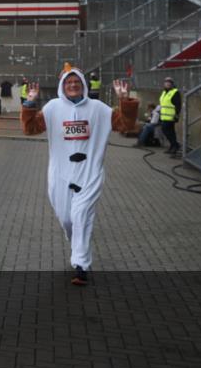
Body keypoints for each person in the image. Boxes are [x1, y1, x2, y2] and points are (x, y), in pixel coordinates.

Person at [20, 69, 138, 286]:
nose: (73, 85)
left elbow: (126, 125)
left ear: (83, 85)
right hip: (60, 173)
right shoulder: (53, 107)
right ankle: (76, 240)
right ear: (62, 86)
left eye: (77, 82)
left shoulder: (98, 108)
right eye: (69, 82)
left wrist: (124, 100)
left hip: (89, 173)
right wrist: (29, 103)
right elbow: (30, 129)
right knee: (67, 219)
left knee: (81, 216)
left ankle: (81, 265)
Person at [159, 76, 182, 156]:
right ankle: (173, 146)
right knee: (171, 132)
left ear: (172, 84)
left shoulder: (175, 92)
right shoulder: (164, 92)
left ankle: (175, 145)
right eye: (166, 82)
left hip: (171, 117)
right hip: (164, 116)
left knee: (165, 130)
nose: (168, 84)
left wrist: (176, 115)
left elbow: (178, 105)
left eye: (169, 83)